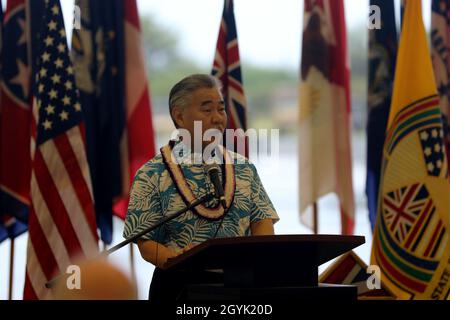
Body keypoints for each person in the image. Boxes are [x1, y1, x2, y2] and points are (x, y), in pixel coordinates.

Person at [123, 74, 279, 301]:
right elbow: (146, 243)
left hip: (244, 286)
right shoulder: (152, 174)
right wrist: (176, 259)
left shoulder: (244, 168)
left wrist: (260, 259)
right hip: (180, 287)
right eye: (207, 110)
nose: (217, 118)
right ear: (179, 116)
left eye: (221, 109)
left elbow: (262, 222)